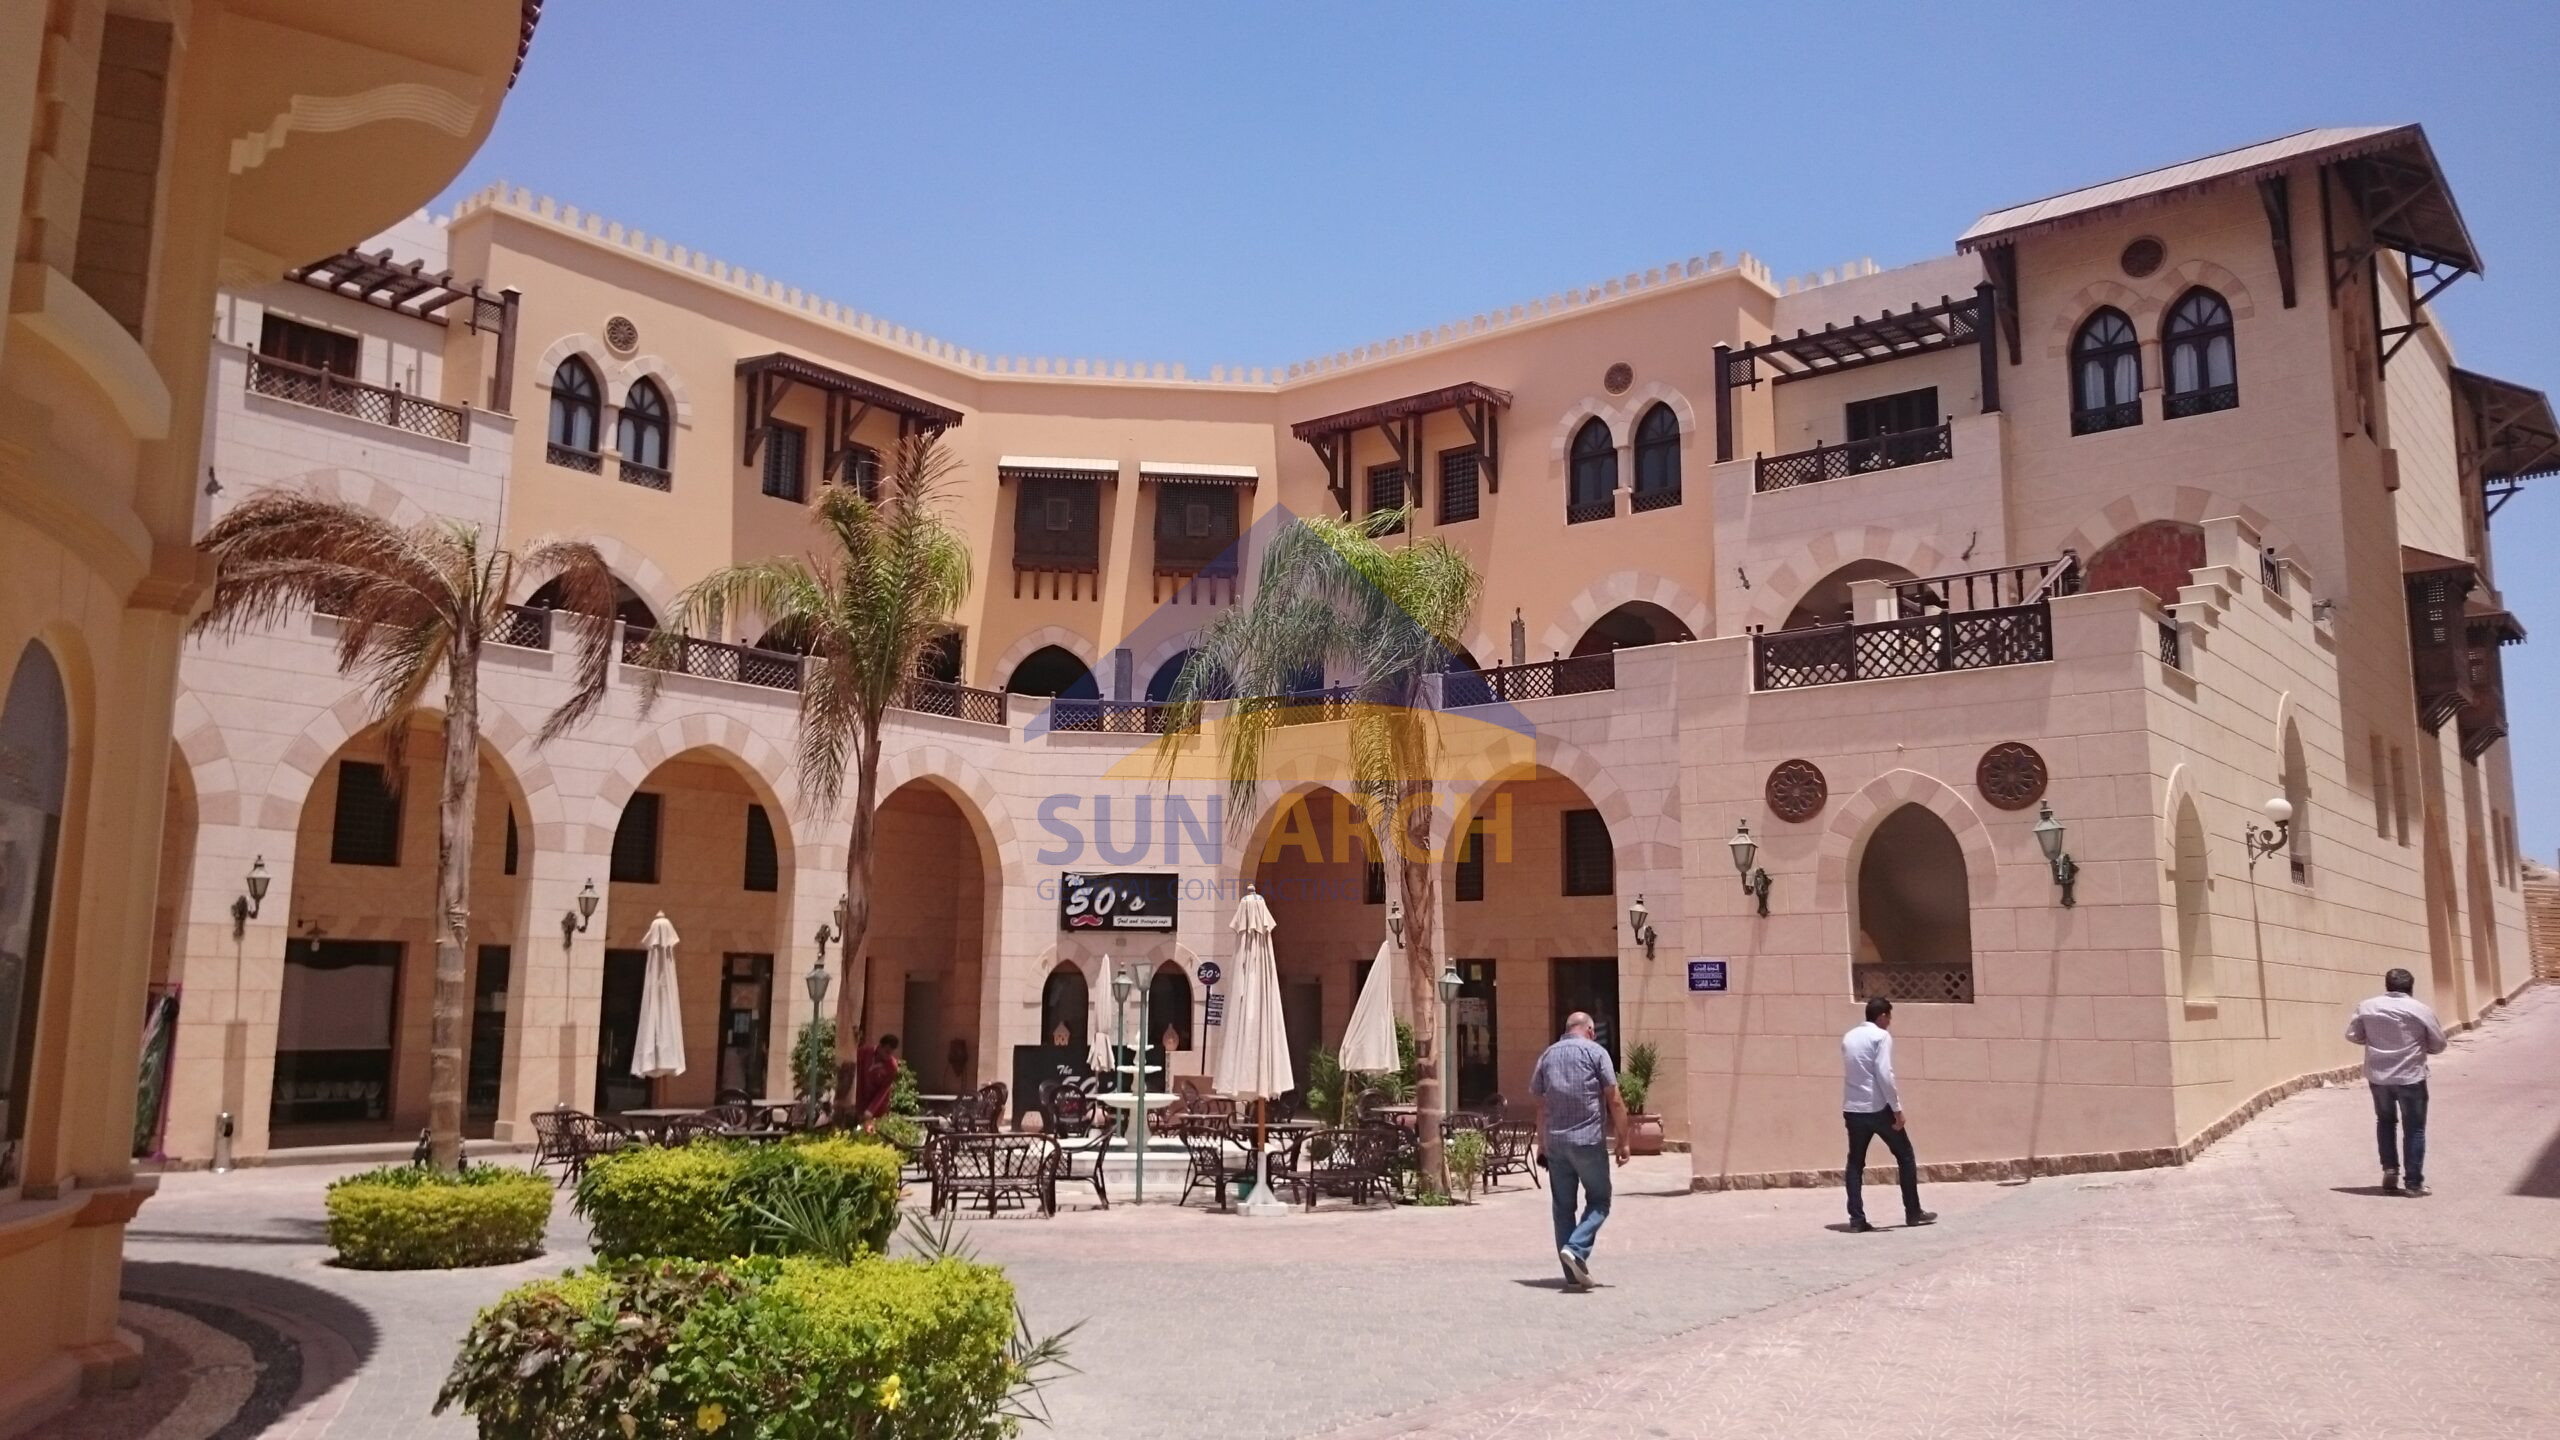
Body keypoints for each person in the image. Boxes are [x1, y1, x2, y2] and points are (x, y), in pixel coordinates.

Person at [1529, 1011, 1628, 1291]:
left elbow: (1541, 1105)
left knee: (1563, 1208)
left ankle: (1572, 1275)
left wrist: (1542, 1142)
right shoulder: (1596, 1052)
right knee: (1600, 1200)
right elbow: (1614, 1099)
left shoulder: (1547, 1055)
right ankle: (1575, 1249)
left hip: (1557, 1143)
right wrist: (1624, 1140)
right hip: (1588, 1142)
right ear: (1590, 1031)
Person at [2345, 968, 2445, 1196]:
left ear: (2387, 985)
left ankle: (2390, 1169)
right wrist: (2422, 1047)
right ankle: (2413, 1184)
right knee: (2415, 1128)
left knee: (2385, 1121)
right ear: (2411, 987)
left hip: (2379, 1076)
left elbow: (2353, 1035)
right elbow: (2438, 1043)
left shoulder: (2367, 1006)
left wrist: (2374, 1041)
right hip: (2410, 1076)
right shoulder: (2420, 1009)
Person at [1841, 997, 1936, 1233]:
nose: (1890, 1021)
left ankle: (1856, 1219)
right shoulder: (1881, 1036)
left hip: (1853, 1108)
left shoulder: (1849, 1037)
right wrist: (1896, 1109)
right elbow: (1884, 1074)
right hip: (1878, 1108)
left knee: (1855, 1163)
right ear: (1882, 1015)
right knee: (1905, 1155)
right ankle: (1913, 1212)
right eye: (1889, 1016)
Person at [854, 1032, 902, 1122]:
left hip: (877, 1107)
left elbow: (883, 1090)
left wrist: (871, 1110)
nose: (888, 1056)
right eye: (887, 1052)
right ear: (880, 1047)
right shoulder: (865, 1052)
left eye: (891, 1053)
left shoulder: (892, 1066)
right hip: (859, 1099)